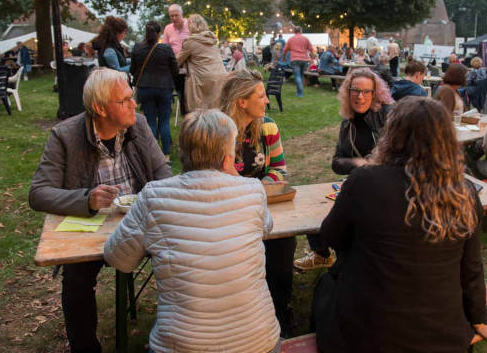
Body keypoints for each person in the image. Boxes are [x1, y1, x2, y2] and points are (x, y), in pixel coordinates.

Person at [312, 96, 487, 353]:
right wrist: (479, 319)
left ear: (392, 134)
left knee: (326, 287)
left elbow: (331, 237)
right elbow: (471, 268)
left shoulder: (365, 181)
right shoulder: (463, 191)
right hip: (440, 335)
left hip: (367, 334)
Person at [104, 109, 281, 353]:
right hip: (259, 342)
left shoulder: (154, 196)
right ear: (228, 155)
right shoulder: (252, 190)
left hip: (184, 345)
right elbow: (266, 228)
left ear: (182, 151)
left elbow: (118, 258)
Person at [28, 68, 172, 353]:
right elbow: (38, 193)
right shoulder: (65, 136)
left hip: (140, 223)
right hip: (91, 229)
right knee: (76, 279)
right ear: (99, 108)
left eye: (132, 97)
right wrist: (87, 199)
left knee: (189, 250)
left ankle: (185, 331)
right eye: (125, 100)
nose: (135, 104)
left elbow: (162, 172)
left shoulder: (139, 125)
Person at [219, 70, 295, 337]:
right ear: (241, 101)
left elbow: (280, 171)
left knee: (285, 243)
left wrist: (254, 187)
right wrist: (254, 187)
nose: (267, 101)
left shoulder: (267, 126)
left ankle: (280, 311)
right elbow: (213, 180)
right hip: (227, 213)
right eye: (261, 96)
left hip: (261, 205)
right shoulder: (217, 131)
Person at [294, 68, 393, 270]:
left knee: (347, 223)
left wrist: (372, 163)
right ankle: (322, 254)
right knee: (311, 204)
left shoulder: (387, 115)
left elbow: (399, 156)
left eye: (366, 92)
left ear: (376, 94)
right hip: (356, 185)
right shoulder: (347, 122)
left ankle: (350, 262)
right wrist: (356, 163)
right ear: (347, 92)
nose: (360, 96)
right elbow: (336, 163)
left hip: (386, 188)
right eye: (355, 90)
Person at [130, 21, 179, 162]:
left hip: (145, 87)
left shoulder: (137, 48)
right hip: (164, 87)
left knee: (150, 121)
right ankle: (166, 154)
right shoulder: (166, 49)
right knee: (164, 121)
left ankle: (152, 153)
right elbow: (175, 69)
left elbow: (133, 70)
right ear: (159, 34)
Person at [177, 14, 228, 112]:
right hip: (221, 75)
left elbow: (177, 61)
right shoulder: (212, 39)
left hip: (203, 78)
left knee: (201, 111)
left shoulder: (190, 41)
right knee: (217, 109)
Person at [283, 26, 314, 97]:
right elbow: (311, 50)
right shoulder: (305, 39)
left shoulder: (291, 39)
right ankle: (299, 91)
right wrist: (312, 59)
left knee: (297, 76)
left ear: (294, 31)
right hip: (304, 59)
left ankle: (300, 93)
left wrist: (284, 58)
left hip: (294, 59)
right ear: (301, 31)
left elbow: (284, 50)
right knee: (301, 75)